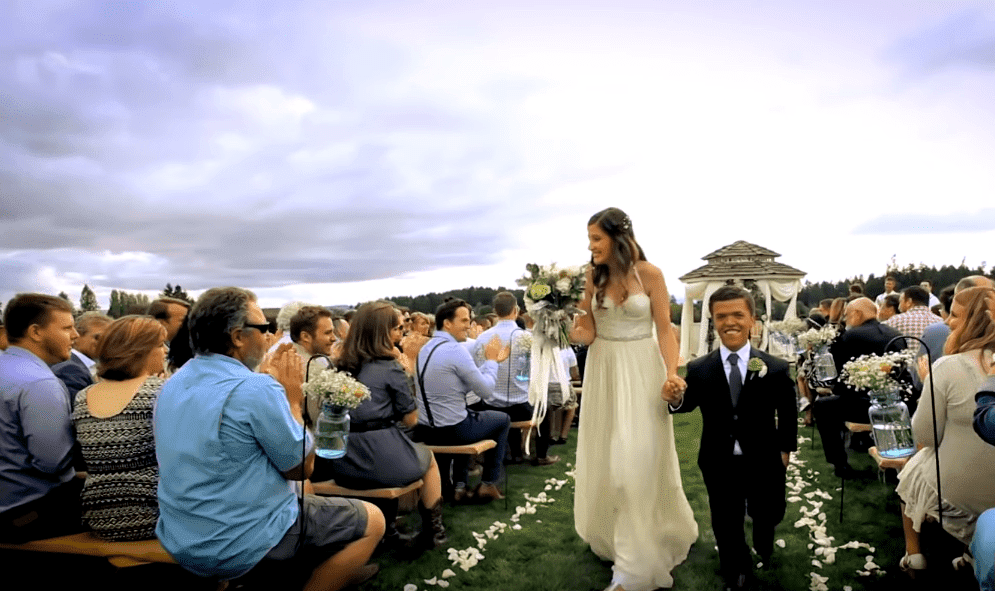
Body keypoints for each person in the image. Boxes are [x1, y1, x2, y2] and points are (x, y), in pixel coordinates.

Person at [154, 287, 383, 589]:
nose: (269, 336)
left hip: (182, 535)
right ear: (237, 337)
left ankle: (318, 571)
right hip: (239, 539)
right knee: (373, 519)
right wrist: (292, 403)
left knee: (307, 501)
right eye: (264, 328)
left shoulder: (173, 382)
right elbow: (301, 469)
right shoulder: (255, 388)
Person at [569, 207, 696, 591]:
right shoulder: (591, 276)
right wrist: (562, 321)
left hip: (643, 369)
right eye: (589, 239)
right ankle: (619, 540)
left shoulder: (652, 274)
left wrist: (671, 373)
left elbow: (665, 329)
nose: (590, 246)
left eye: (596, 238)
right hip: (604, 368)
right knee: (610, 459)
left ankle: (632, 570)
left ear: (618, 238)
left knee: (636, 459)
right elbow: (587, 334)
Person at [666, 286, 796, 590]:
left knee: (767, 512)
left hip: (764, 456)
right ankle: (736, 570)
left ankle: (764, 536)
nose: (730, 322)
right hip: (718, 457)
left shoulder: (775, 368)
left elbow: (788, 411)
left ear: (753, 320)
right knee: (726, 518)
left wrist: (786, 448)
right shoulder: (700, 368)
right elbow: (687, 405)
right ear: (713, 320)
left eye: (738, 314)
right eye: (721, 316)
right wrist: (674, 400)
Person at [312, 301, 447, 549]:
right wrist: (411, 370)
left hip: (344, 463)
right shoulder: (389, 367)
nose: (401, 332)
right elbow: (411, 419)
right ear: (381, 332)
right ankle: (434, 531)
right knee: (428, 459)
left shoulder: (340, 366)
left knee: (396, 450)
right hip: (379, 461)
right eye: (396, 327)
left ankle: (389, 532)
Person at [894, 286, 995, 574]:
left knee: (911, 471)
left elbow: (924, 436)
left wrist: (929, 384)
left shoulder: (949, 366)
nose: (947, 320)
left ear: (976, 320)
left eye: (954, 315)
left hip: (961, 497)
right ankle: (971, 554)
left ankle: (914, 555)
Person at [72, 315, 167, 541]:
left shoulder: (84, 396)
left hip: (99, 516)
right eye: (160, 345)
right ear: (141, 351)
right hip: (155, 515)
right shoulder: (159, 391)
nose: (165, 351)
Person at [0, 294, 82, 542]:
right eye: (67, 327)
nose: (75, 335)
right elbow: (52, 463)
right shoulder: (40, 383)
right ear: (36, 332)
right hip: (25, 516)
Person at [414, 298, 511, 503]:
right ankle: (488, 484)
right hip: (451, 430)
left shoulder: (426, 348)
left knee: (466, 414)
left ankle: (458, 486)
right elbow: (485, 391)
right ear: (447, 323)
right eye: (465, 320)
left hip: (427, 429)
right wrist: (492, 361)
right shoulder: (455, 350)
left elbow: (458, 385)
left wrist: (488, 365)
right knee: (502, 419)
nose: (469, 326)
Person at [814, 297, 905, 476]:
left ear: (857, 314)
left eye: (847, 316)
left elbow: (834, 374)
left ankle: (840, 464)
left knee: (823, 407)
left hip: (862, 405)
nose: (846, 320)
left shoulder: (850, 336)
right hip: (896, 402)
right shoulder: (895, 334)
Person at [473, 291, 558, 466]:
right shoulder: (528, 338)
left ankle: (515, 454)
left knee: (507, 399)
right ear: (515, 310)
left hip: (492, 404)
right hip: (522, 405)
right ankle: (541, 455)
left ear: (495, 311)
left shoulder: (482, 338)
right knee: (544, 407)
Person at [52, 312, 112, 402]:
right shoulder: (69, 369)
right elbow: (80, 408)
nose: (104, 343)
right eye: (98, 337)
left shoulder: (96, 366)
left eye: (108, 339)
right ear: (76, 336)